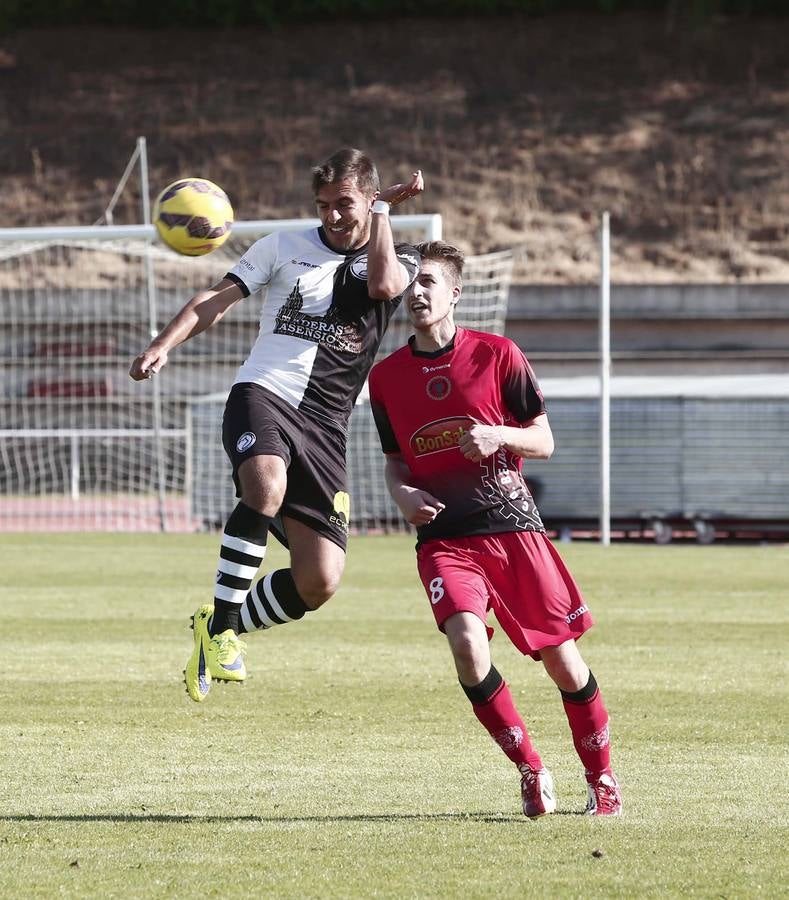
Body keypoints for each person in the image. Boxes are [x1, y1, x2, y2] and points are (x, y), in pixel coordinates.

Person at [130, 148, 424, 703]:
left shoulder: (401, 254)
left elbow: (384, 288)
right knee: (265, 484)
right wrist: (161, 346)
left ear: (370, 198)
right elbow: (213, 300)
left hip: (327, 425)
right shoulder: (281, 247)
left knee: (319, 581)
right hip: (264, 394)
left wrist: (383, 215)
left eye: (345, 204)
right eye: (323, 205)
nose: (332, 216)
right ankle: (220, 631)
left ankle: (218, 623)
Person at [367, 241, 622, 818]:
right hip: (445, 540)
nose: (418, 291)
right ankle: (531, 769)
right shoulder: (385, 378)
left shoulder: (498, 355)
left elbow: (545, 440)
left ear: (455, 292)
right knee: (467, 647)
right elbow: (395, 459)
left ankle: (602, 778)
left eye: (429, 281)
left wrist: (499, 436)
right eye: (411, 282)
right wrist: (401, 492)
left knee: (563, 662)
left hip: (511, 529)